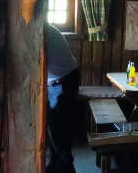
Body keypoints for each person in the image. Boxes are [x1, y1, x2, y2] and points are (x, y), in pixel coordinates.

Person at [45, 23, 80, 173]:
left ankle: (67, 166)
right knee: (54, 123)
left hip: (65, 79)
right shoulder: (44, 29)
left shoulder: (45, 33)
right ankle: (55, 163)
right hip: (57, 80)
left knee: (58, 125)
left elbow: (41, 65)